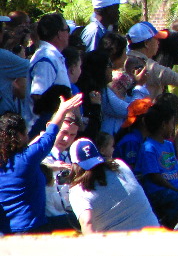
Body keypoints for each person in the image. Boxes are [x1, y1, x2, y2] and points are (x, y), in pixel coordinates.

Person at [0, 92, 83, 234]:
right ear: (19, 135)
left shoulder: (7, 162)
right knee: (78, 220)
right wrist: (62, 110)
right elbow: (50, 135)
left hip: (6, 232)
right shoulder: (27, 158)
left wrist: (50, 167)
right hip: (32, 229)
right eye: (25, 133)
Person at [68, 137, 159, 233]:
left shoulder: (77, 192)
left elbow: (87, 222)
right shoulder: (120, 165)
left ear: (74, 165)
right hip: (153, 236)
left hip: (118, 245)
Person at [134, 100, 178, 228]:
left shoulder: (168, 145)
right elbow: (154, 177)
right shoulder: (149, 148)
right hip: (159, 192)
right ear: (163, 125)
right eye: (172, 123)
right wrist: (175, 189)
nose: (173, 127)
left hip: (173, 188)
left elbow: (176, 170)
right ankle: (169, 228)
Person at [28, 12, 72, 125]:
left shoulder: (51, 56)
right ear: (59, 34)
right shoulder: (46, 59)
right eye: (67, 30)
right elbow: (38, 95)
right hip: (41, 128)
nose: (69, 34)